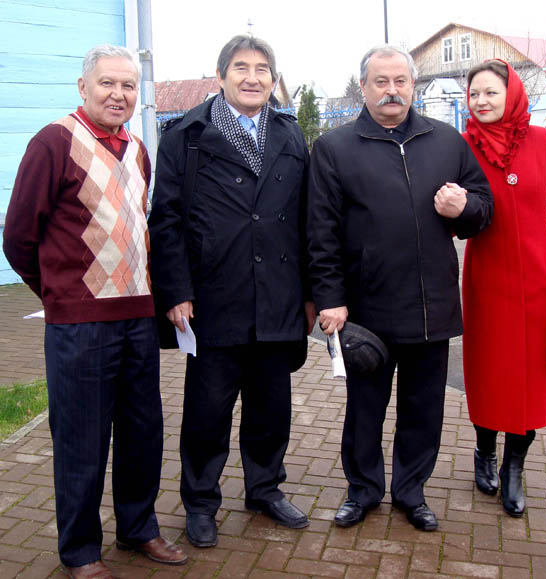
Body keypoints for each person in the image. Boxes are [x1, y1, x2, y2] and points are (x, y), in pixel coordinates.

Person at [2, 45, 187, 578]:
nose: (118, 94)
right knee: (81, 440)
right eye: (107, 83)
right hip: (79, 326)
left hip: (138, 319)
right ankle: (81, 551)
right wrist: (58, 295)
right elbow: (18, 237)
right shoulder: (53, 143)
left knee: (142, 432)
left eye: (128, 85)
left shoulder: (138, 149)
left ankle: (139, 528)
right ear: (83, 87)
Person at [307, 45, 493, 532]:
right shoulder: (334, 148)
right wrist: (330, 299)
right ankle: (363, 491)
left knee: (423, 410)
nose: (392, 91)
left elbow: (484, 207)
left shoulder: (446, 141)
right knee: (364, 411)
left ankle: (412, 493)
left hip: (431, 307)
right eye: (381, 82)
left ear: (413, 85)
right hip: (366, 311)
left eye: (401, 81)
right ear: (363, 88)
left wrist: (465, 209)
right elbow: (321, 232)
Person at [148, 35, 315, 549]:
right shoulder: (186, 136)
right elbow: (166, 220)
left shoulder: (289, 132)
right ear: (220, 76)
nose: (252, 78)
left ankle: (265, 489)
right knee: (207, 412)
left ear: (273, 79)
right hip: (213, 299)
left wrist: (311, 294)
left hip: (278, 298)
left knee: (271, 409)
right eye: (241, 67)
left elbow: (308, 219)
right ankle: (200, 503)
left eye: (262, 69)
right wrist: (176, 290)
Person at [461, 60, 546, 517]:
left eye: (491, 93)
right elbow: (454, 216)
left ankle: (514, 467)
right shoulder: (462, 148)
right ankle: (484, 451)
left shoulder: (544, 141)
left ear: (511, 95)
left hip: (538, 281)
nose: (482, 102)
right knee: (489, 371)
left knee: (529, 380)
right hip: (487, 280)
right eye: (474, 94)